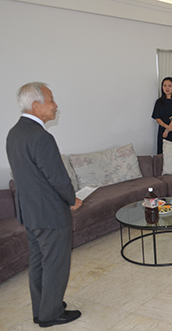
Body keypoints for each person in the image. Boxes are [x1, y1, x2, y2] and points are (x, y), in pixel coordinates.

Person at [6, 82, 82, 327]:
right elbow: (57, 177)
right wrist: (72, 199)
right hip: (50, 215)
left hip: (29, 214)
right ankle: (51, 314)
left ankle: (41, 309)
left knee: (38, 262)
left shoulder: (14, 133)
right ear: (36, 106)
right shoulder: (42, 138)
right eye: (51, 100)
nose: (55, 105)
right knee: (55, 265)